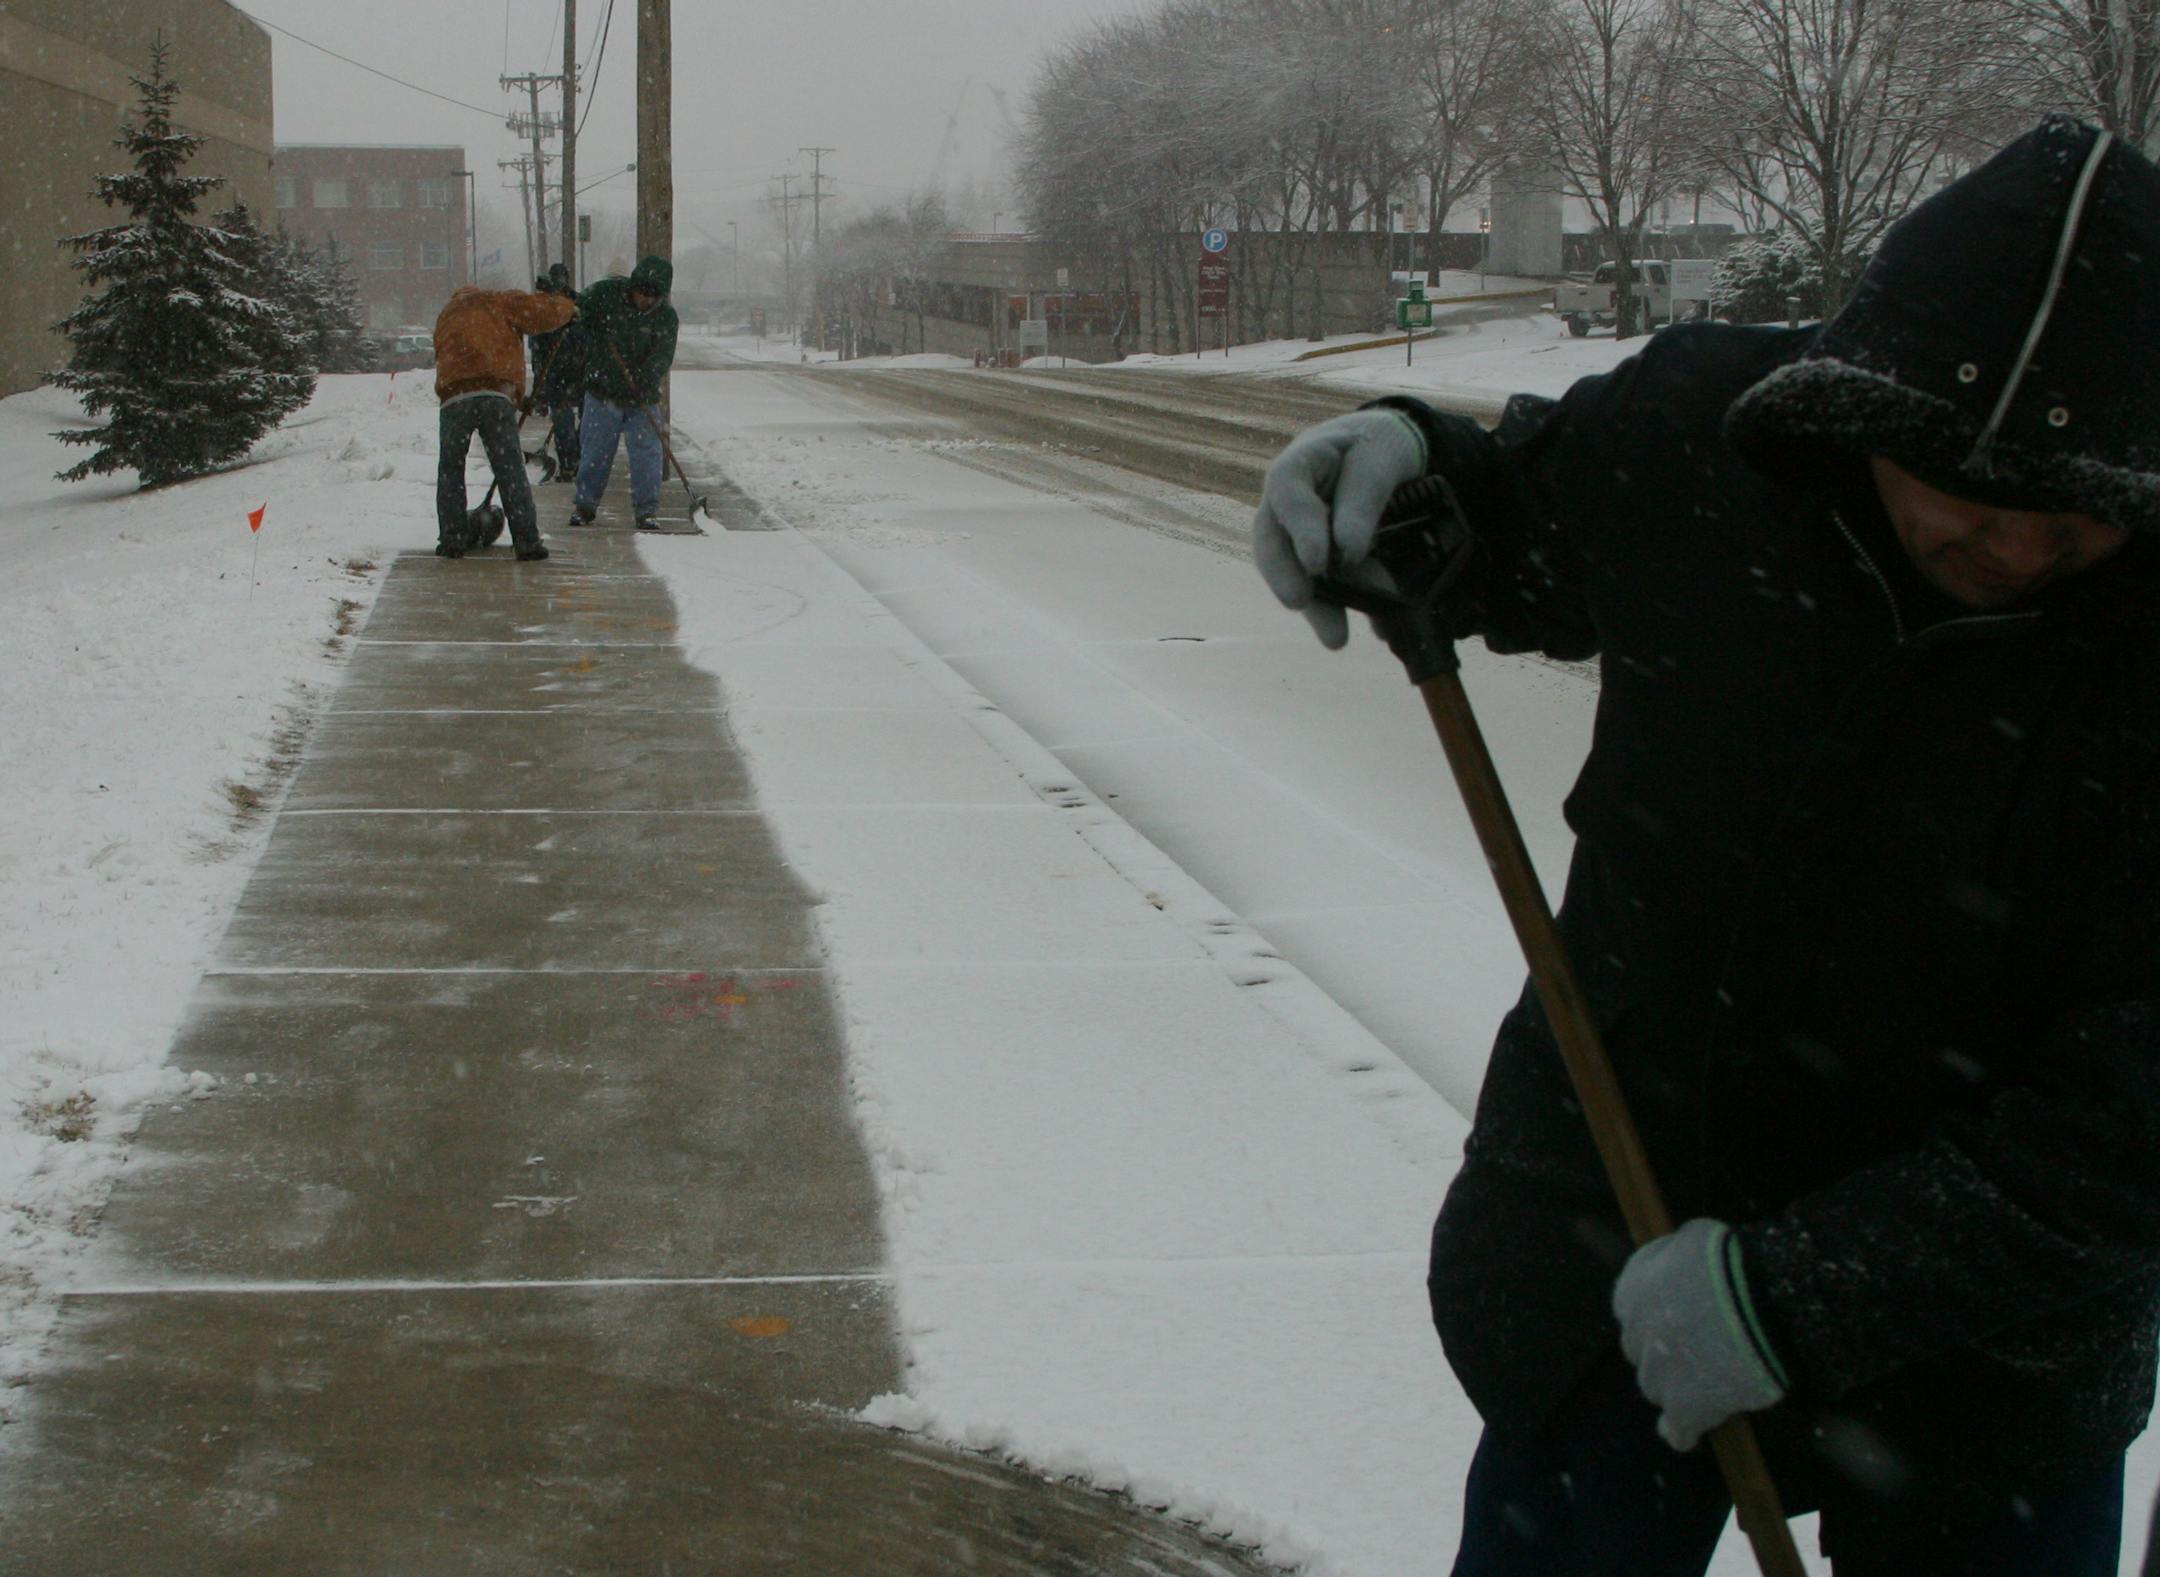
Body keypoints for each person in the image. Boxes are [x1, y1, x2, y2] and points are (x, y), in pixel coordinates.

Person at [1251, 115, 2160, 1574]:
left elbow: (2130, 1114)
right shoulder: (1715, 436)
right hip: (1609, 1236)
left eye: (2070, 529)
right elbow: (1519, 519)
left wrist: (1805, 1292)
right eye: (1972, 508)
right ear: (1872, 419)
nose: (2014, 555)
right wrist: (1418, 473)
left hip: (1991, 1355)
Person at [431, 282, 575, 560]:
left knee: (450, 468)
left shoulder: (447, 314)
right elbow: (541, 312)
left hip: (453, 398)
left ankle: (452, 539)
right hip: (494, 395)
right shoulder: (497, 301)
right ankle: (527, 541)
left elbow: (450, 357)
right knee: (510, 468)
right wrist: (569, 309)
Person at [570, 255, 679, 532]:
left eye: (652, 296)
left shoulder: (666, 318)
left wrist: (644, 377)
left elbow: (663, 355)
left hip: (641, 397)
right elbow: (577, 310)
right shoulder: (606, 294)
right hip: (602, 391)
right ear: (632, 285)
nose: (645, 299)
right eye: (641, 292)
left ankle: (647, 510)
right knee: (596, 451)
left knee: (647, 454)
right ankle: (585, 505)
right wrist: (588, 325)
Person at [528, 263, 585, 479]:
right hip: (555, 374)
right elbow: (538, 349)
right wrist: (539, 391)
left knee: (585, 423)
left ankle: (577, 458)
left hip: (580, 371)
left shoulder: (578, 303)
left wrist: (574, 332)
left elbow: (588, 336)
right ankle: (569, 465)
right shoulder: (545, 308)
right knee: (563, 422)